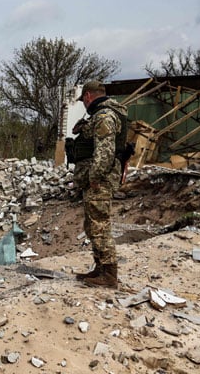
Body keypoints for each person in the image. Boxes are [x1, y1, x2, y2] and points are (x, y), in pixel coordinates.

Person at [72, 80, 128, 289]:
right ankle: (100, 269)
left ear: (87, 96)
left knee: (99, 226)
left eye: (83, 101)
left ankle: (109, 276)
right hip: (97, 179)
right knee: (92, 224)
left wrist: (94, 177)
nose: (84, 105)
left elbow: (105, 152)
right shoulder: (105, 113)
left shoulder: (104, 116)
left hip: (99, 181)